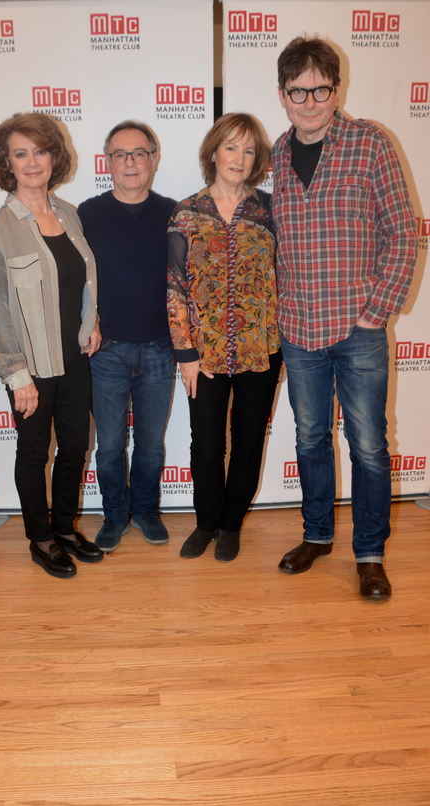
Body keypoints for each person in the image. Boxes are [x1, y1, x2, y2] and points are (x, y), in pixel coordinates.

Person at [272, 36, 417, 600]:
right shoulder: (277, 156)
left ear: (338, 89)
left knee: (368, 445)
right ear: (282, 95)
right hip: (300, 330)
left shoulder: (370, 143)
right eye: (298, 90)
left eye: (320, 89)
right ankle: (316, 535)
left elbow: (404, 232)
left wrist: (375, 310)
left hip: (359, 330)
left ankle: (370, 553)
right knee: (310, 439)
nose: (309, 100)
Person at [0, 113, 102, 579]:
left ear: (55, 156)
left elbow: (82, 279)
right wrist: (16, 375)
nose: (33, 162)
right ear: (7, 164)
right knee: (34, 454)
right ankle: (42, 539)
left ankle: (66, 529)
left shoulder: (68, 213)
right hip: (31, 367)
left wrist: (93, 323)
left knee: (75, 446)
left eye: (41, 151)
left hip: (74, 359)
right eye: (21, 153)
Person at [168, 113, 282, 562]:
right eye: (231, 147)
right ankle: (205, 522)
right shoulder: (187, 211)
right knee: (207, 443)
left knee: (250, 438)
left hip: (261, 350)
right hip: (205, 353)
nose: (239, 157)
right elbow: (175, 286)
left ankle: (231, 524)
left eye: (249, 150)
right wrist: (186, 353)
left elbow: (284, 279)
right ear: (213, 152)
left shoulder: (270, 210)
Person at [77, 121, 176, 552]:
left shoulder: (175, 212)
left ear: (154, 159)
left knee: (151, 444)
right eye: (120, 154)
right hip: (107, 351)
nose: (131, 162)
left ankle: (147, 511)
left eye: (140, 153)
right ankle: (116, 515)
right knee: (111, 444)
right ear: (107, 162)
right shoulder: (86, 214)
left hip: (160, 348)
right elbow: (75, 281)